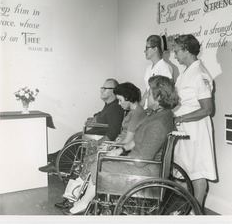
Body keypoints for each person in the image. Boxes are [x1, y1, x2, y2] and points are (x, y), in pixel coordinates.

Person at [64, 75, 179, 215]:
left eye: (149, 92)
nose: (146, 95)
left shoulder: (158, 123)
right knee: (101, 160)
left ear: (159, 97)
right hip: (144, 163)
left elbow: (142, 158)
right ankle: (84, 202)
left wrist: (118, 157)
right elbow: (137, 139)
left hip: (146, 168)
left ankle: (84, 202)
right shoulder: (160, 115)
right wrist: (121, 150)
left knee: (100, 164)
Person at [55, 82, 147, 210]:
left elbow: (127, 141)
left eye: (120, 100)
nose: (119, 104)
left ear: (127, 97)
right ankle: (73, 197)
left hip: (124, 151)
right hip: (118, 146)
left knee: (90, 161)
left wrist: (111, 146)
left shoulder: (137, 114)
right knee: (88, 159)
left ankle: (73, 198)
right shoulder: (132, 110)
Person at [38, 78, 124, 173]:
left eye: (105, 88)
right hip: (94, 134)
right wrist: (97, 117)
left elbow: (113, 132)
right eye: (102, 87)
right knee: (76, 139)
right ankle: (54, 157)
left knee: (78, 142)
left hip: (98, 138)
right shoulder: (109, 105)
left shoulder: (115, 108)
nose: (101, 90)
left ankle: (58, 165)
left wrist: (97, 143)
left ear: (114, 91)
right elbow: (102, 114)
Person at [172, 34, 217, 210]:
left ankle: (196, 213)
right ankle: (188, 208)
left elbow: (207, 109)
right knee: (184, 170)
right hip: (184, 128)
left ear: (186, 50)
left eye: (176, 51)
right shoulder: (186, 72)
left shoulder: (199, 74)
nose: (175, 56)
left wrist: (181, 118)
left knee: (198, 172)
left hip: (196, 128)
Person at [140, 35, 173, 109]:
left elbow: (166, 93)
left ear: (155, 49)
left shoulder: (165, 67)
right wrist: (140, 106)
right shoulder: (148, 68)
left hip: (157, 109)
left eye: (147, 48)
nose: (145, 51)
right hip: (148, 108)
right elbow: (148, 89)